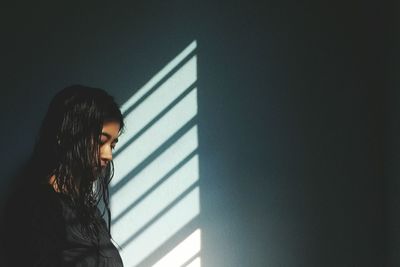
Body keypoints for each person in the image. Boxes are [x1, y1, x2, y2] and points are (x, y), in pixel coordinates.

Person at [2, 85, 125, 266]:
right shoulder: (34, 209)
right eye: (100, 141)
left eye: (112, 145)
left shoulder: (89, 214)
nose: (108, 155)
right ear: (66, 136)